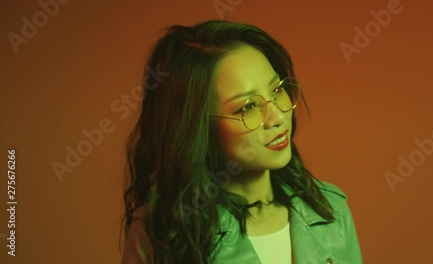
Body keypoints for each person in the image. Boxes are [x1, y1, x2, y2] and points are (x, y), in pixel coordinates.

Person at [120, 20, 363, 264]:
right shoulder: (161, 234)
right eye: (248, 107)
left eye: (277, 91)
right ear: (197, 126)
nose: (278, 117)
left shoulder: (331, 210)